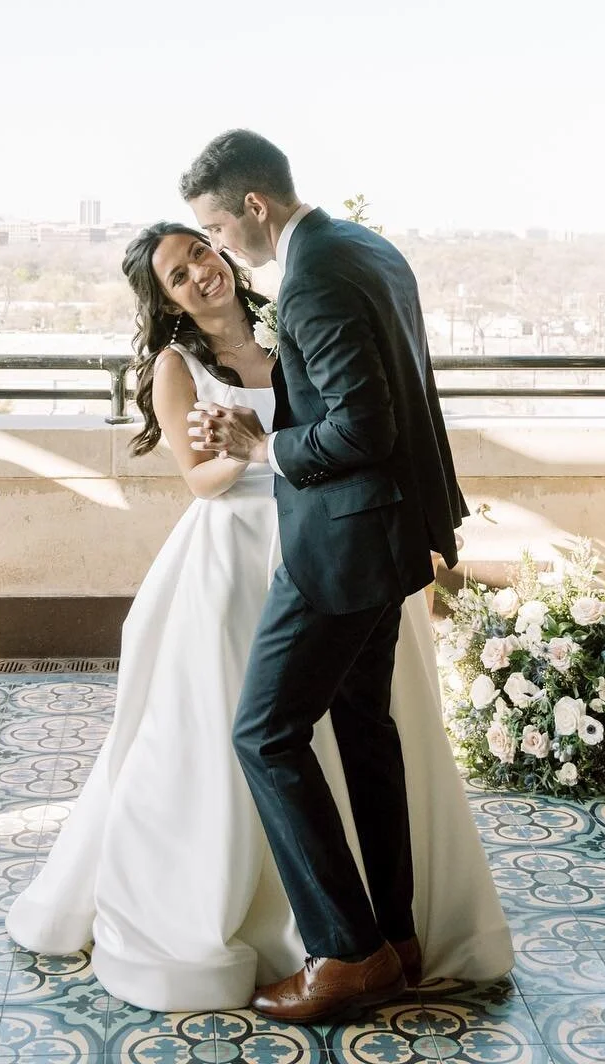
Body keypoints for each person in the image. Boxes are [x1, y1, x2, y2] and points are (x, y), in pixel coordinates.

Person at [3, 214, 512, 1013]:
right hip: (240, 553)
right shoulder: (178, 365)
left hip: (336, 538)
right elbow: (198, 477)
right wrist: (248, 450)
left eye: (201, 251)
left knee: (363, 728)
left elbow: (344, 420)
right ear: (167, 303)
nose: (201, 271)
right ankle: (307, 928)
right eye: (179, 273)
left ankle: (376, 937)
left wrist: (262, 438)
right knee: (244, 731)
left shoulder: (289, 313)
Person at [182, 130, 497, 1022]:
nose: (218, 250)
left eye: (216, 227)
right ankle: (394, 939)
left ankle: (347, 953)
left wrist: (266, 445)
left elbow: (361, 428)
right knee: (364, 731)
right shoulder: (367, 247)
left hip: (340, 545)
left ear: (254, 204)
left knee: (264, 734)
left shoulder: (313, 275)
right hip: (391, 537)